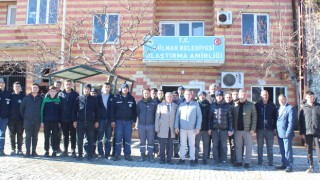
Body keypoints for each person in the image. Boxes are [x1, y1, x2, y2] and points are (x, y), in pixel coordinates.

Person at [175, 89, 202, 166]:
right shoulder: (181, 105)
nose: (188, 96)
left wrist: (198, 127)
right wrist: (176, 126)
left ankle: (192, 159)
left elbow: (199, 116)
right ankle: (182, 159)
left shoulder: (196, 104)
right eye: (186, 94)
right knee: (182, 144)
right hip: (182, 129)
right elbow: (177, 116)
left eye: (189, 94)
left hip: (192, 129)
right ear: (184, 95)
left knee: (192, 145)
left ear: (191, 95)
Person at [111, 83, 137, 161]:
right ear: (121, 89)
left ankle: (127, 154)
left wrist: (134, 121)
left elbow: (134, 111)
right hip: (118, 122)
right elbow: (112, 110)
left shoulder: (131, 98)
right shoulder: (116, 98)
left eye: (126, 88)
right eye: (123, 88)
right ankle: (117, 154)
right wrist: (113, 121)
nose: (125, 89)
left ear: (128, 89)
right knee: (118, 138)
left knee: (128, 139)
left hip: (129, 122)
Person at [73, 84, 99, 160]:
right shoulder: (78, 98)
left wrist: (97, 121)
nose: (86, 90)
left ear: (90, 90)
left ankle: (90, 155)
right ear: (83, 90)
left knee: (91, 139)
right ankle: (80, 155)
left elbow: (97, 111)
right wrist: (74, 120)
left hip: (90, 123)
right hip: (80, 122)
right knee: (80, 139)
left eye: (88, 89)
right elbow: (74, 111)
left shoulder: (94, 99)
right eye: (85, 89)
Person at [232, 89, 257, 168]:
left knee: (248, 146)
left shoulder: (251, 104)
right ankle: (239, 161)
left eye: (243, 94)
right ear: (238, 95)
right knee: (238, 146)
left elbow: (254, 117)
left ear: (246, 96)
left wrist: (253, 128)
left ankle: (247, 162)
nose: (242, 96)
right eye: (241, 94)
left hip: (248, 130)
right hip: (237, 130)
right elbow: (232, 117)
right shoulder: (235, 105)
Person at [209, 90, 233, 164]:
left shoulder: (227, 106)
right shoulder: (212, 105)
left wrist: (230, 129)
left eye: (220, 95)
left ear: (222, 96)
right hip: (214, 129)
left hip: (224, 130)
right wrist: (209, 128)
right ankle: (215, 159)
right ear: (215, 97)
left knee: (224, 146)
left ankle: (224, 159)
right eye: (217, 96)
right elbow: (209, 118)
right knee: (215, 146)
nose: (219, 97)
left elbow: (230, 119)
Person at [299, 90, 320, 173]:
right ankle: (311, 166)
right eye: (308, 97)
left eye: (311, 97)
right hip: (307, 133)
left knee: (319, 150)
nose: (310, 98)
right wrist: (302, 133)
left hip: (318, 133)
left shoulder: (318, 107)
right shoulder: (303, 109)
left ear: (313, 97)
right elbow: (301, 122)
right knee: (309, 150)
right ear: (306, 98)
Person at [20, 83, 43, 157]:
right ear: (31, 88)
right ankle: (27, 151)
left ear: (38, 89)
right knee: (28, 136)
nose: (35, 89)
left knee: (35, 136)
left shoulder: (41, 99)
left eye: (36, 87)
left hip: (37, 121)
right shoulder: (26, 98)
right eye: (33, 87)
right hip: (27, 121)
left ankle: (33, 151)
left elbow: (43, 110)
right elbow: (21, 109)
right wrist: (26, 117)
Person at [255, 90, 277, 166]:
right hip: (260, 129)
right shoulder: (257, 105)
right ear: (261, 96)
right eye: (264, 95)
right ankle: (259, 162)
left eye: (267, 95)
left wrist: (274, 128)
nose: (265, 96)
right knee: (259, 147)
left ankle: (270, 162)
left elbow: (275, 118)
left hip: (269, 130)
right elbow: (255, 117)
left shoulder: (272, 105)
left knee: (270, 148)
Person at [155, 92, 178, 165]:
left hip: (171, 128)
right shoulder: (160, 105)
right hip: (162, 128)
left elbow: (177, 118)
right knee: (162, 145)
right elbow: (157, 117)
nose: (169, 97)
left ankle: (169, 159)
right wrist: (156, 128)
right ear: (165, 97)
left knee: (170, 145)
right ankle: (162, 159)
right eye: (168, 96)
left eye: (171, 96)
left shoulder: (175, 106)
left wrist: (176, 127)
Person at [58, 79, 79, 157]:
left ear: (72, 85)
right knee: (65, 135)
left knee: (73, 135)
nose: (68, 85)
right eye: (67, 84)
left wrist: (75, 120)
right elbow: (58, 108)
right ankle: (65, 150)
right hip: (63, 119)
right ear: (64, 85)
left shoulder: (75, 95)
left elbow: (77, 108)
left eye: (69, 84)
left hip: (72, 119)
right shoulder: (60, 94)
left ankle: (73, 150)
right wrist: (59, 120)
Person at [137, 88, 158, 162]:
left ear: (150, 93)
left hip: (151, 125)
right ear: (143, 94)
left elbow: (156, 115)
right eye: (145, 93)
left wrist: (156, 125)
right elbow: (137, 114)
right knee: (142, 141)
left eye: (147, 93)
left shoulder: (154, 103)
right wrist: (137, 124)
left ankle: (150, 156)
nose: (146, 94)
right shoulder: (139, 103)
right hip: (141, 125)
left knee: (150, 141)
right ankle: (142, 156)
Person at [276, 94, 295, 173]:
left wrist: (288, 132)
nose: (281, 101)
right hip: (279, 132)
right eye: (279, 99)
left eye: (283, 99)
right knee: (282, 150)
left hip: (287, 133)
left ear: (285, 99)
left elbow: (291, 122)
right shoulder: (278, 108)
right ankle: (284, 163)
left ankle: (289, 165)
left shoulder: (290, 108)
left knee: (288, 150)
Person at [41, 86, 61, 157]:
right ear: (49, 91)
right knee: (46, 136)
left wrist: (59, 122)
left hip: (55, 122)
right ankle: (46, 150)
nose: (53, 93)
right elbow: (42, 111)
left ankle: (54, 150)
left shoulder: (58, 100)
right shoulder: (45, 100)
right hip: (46, 121)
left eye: (54, 91)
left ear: (56, 92)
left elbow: (60, 112)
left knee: (55, 137)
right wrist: (42, 121)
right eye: (51, 91)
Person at [97, 83, 114, 159]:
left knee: (108, 138)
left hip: (109, 120)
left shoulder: (112, 97)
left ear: (110, 88)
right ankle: (101, 153)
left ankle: (107, 154)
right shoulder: (98, 97)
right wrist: (97, 120)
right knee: (100, 138)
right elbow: (96, 109)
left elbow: (114, 110)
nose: (107, 88)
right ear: (102, 88)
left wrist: (113, 120)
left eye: (108, 87)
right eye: (105, 87)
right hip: (101, 120)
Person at [8, 81, 25, 156]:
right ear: (13, 87)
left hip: (20, 119)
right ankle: (13, 149)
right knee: (12, 134)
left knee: (20, 134)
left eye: (18, 86)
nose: (17, 88)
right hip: (11, 119)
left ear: (21, 88)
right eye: (15, 86)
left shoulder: (24, 96)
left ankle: (20, 149)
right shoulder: (10, 96)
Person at [195, 91, 210, 165]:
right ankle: (196, 158)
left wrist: (209, 128)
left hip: (206, 128)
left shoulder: (208, 104)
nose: (202, 96)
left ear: (205, 96)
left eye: (203, 95)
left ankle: (205, 159)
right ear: (198, 96)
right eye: (200, 95)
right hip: (197, 128)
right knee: (196, 144)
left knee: (206, 145)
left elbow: (210, 117)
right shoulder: (195, 104)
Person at [0, 78, 11, 156]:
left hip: (4, 118)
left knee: (2, 134)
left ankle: (1, 149)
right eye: (0, 82)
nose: (1, 84)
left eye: (3, 82)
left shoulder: (8, 93)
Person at [225, 92, 236, 163]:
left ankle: (233, 158)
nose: (228, 99)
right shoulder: (222, 105)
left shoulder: (234, 106)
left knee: (232, 144)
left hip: (232, 128)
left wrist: (232, 129)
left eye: (229, 97)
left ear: (231, 98)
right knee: (222, 144)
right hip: (223, 128)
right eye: (227, 97)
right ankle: (222, 157)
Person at [54, 81, 63, 153]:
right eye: (56, 85)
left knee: (59, 133)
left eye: (59, 85)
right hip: (52, 118)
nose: (57, 86)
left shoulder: (62, 94)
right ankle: (53, 147)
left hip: (60, 117)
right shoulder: (50, 93)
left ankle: (58, 147)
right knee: (53, 133)